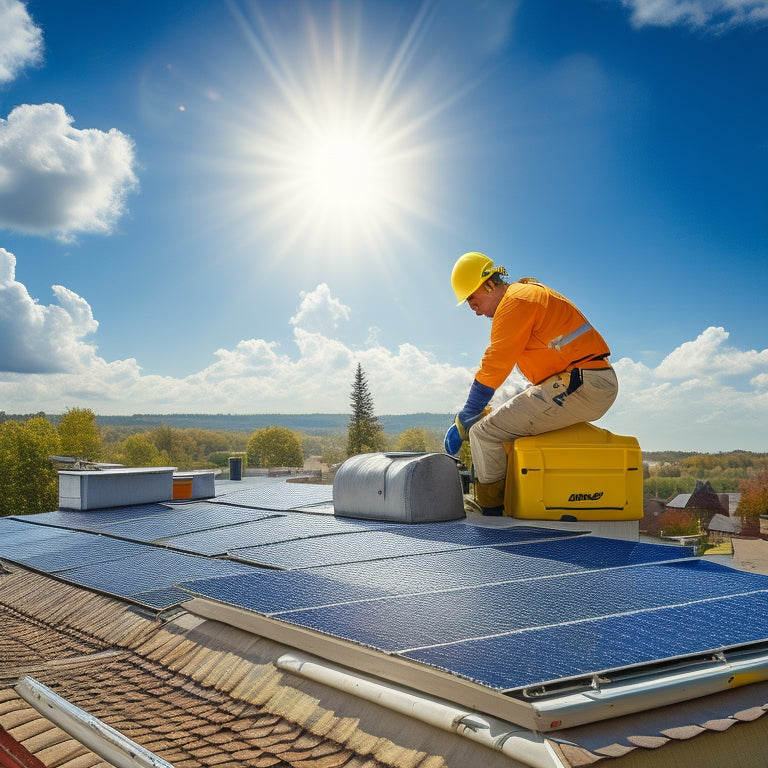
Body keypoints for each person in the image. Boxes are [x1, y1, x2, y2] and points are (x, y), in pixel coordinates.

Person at [444, 251, 618, 516]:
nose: (473, 308)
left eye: (471, 298)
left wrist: (467, 415)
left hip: (585, 383)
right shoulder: (525, 295)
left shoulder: (515, 302)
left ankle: (492, 515)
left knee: (483, 432)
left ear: (489, 284)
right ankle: (511, 502)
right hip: (580, 381)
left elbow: (495, 364)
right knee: (498, 422)